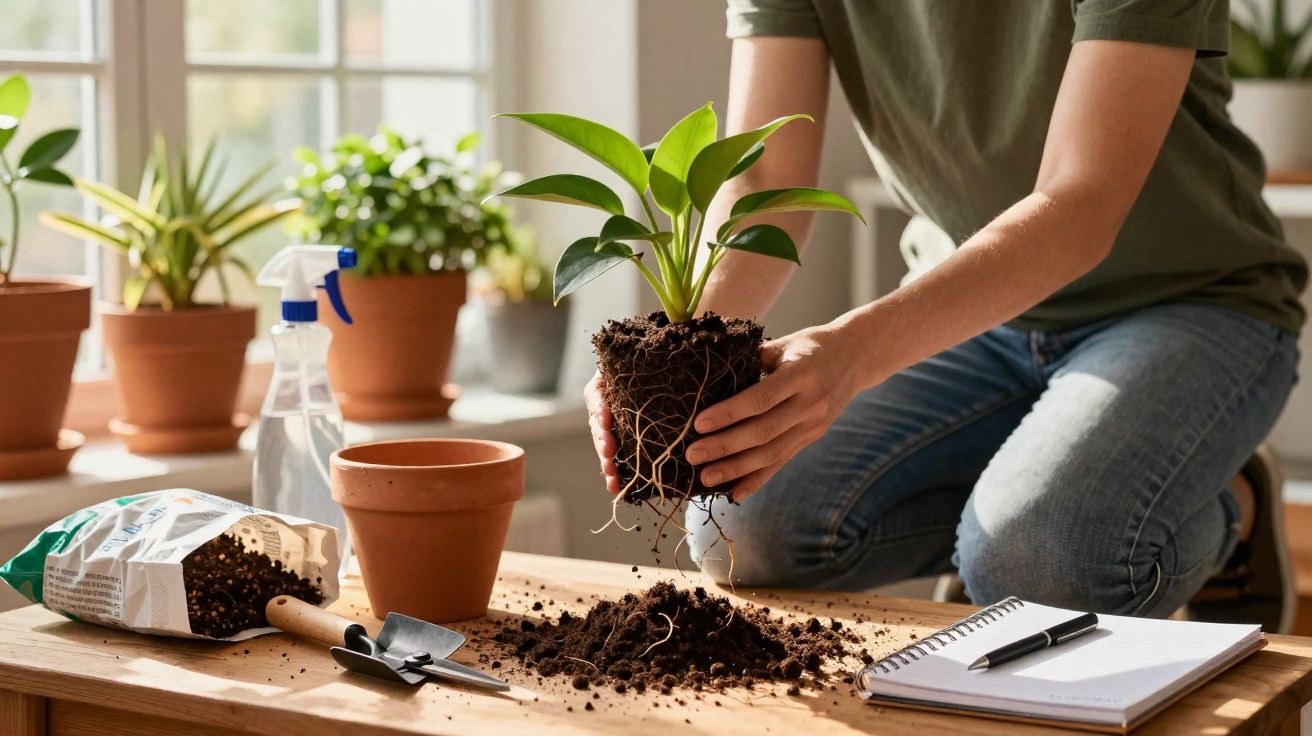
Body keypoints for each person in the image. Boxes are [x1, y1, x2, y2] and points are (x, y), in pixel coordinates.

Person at [586, 0, 1306, 629]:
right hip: (969, 315)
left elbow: (1080, 201)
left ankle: (1232, 502)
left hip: (1187, 302)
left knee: (1042, 567)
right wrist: (676, 359)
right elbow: (766, 177)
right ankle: (1015, 507)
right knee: (743, 534)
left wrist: (850, 353)